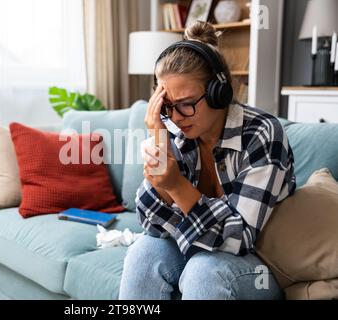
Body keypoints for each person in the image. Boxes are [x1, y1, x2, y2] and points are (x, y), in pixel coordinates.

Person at [119, 21, 296, 300]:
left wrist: (176, 185)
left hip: (262, 262)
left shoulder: (262, 133)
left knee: (203, 271)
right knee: (143, 252)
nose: (176, 117)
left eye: (186, 104)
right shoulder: (177, 130)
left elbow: (240, 238)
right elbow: (151, 222)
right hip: (205, 244)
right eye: (167, 106)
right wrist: (159, 138)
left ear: (218, 94)